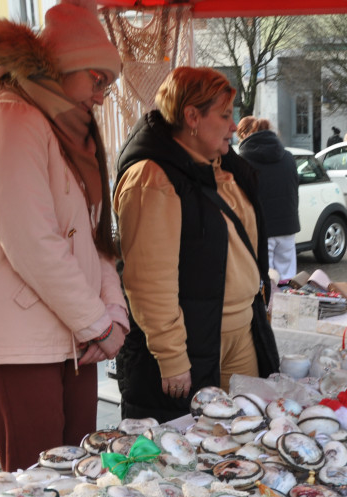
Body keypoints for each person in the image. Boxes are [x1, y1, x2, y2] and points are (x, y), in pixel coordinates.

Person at [0, 0, 127, 472]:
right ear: (67, 66)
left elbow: (94, 238)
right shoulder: (10, 119)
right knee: (38, 492)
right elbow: (32, 241)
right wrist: (99, 324)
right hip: (16, 340)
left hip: (73, 335)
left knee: (79, 479)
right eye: (98, 79)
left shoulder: (69, 134)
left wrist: (115, 316)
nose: (102, 96)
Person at [114, 67, 274, 422]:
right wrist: (172, 357)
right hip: (192, 344)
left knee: (244, 439)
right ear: (192, 117)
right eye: (224, 115)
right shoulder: (152, 178)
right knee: (196, 450)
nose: (234, 126)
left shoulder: (222, 167)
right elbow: (148, 281)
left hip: (239, 331)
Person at [235, 116, 300, 280]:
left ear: (243, 135)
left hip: (259, 231)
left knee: (262, 283)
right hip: (287, 228)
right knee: (287, 282)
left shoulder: (241, 161)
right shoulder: (288, 158)